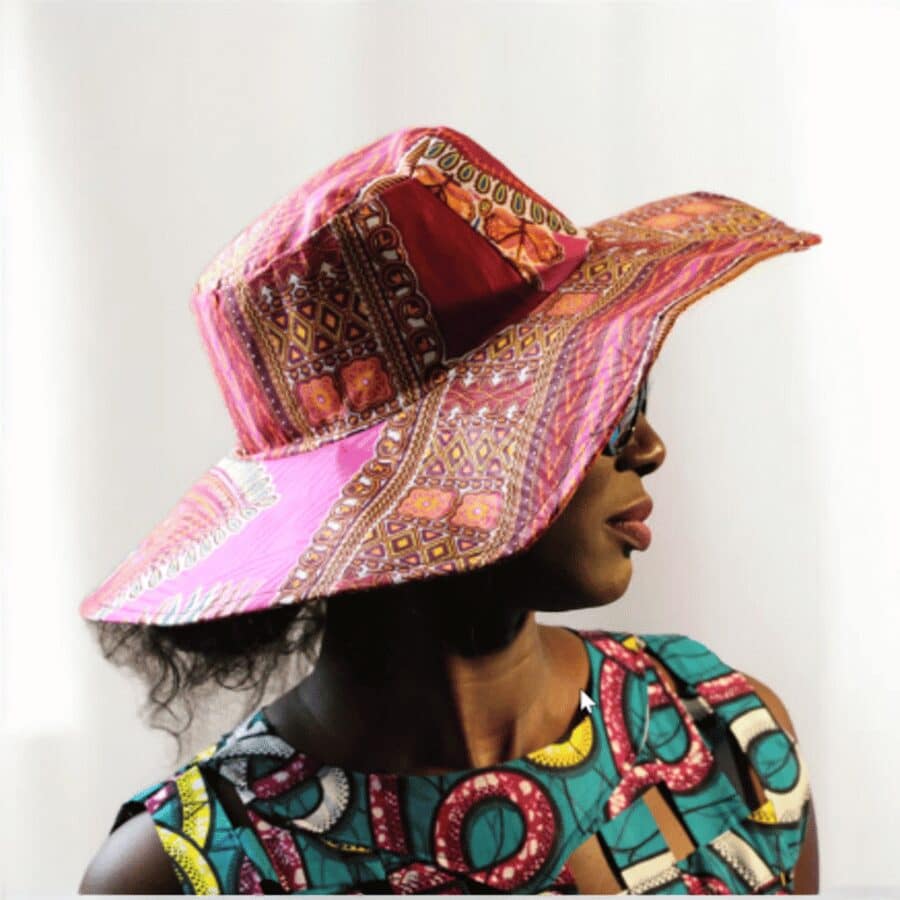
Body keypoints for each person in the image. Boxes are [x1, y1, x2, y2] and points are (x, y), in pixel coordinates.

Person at [78, 125, 820, 894]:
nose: (649, 447)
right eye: (594, 403)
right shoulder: (182, 874)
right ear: (424, 475)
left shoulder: (729, 736)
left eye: (626, 390)